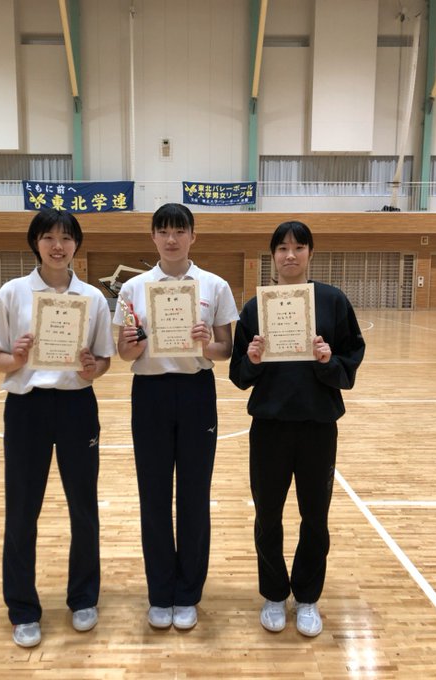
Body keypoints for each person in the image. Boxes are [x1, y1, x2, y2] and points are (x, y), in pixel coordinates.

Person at [0, 208, 116, 648]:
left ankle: (84, 598)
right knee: (22, 510)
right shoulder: (12, 292)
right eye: (48, 237)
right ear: (35, 243)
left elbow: (103, 360)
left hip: (77, 406)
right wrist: (18, 358)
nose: (57, 246)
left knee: (84, 507)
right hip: (27, 408)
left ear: (76, 243)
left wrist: (91, 367)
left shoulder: (92, 297)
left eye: (65, 237)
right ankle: (23, 608)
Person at [229, 220, 365, 637]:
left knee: (315, 516)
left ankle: (307, 597)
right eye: (282, 248)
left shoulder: (333, 301)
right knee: (268, 515)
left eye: (298, 247)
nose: (290, 255)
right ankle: (274, 593)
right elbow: (238, 374)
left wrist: (329, 361)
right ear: (272, 256)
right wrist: (253, 359)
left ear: (310, 253)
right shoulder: (255, 308)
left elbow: (352, 357)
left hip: (317, 426)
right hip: (269, 427)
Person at [113, 203, 239, 630]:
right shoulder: (133, 289)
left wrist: (206, 345)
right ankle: (159, 591)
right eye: (163, 231)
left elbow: (225, 350)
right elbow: (124, 352)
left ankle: (187, 593)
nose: (171, 239)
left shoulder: (214, 285)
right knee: (152, 495)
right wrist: (131, 345)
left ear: (192, 236)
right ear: (152, 237)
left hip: (196, 392)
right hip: (149, 393)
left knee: (193, 495)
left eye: (179, 231)